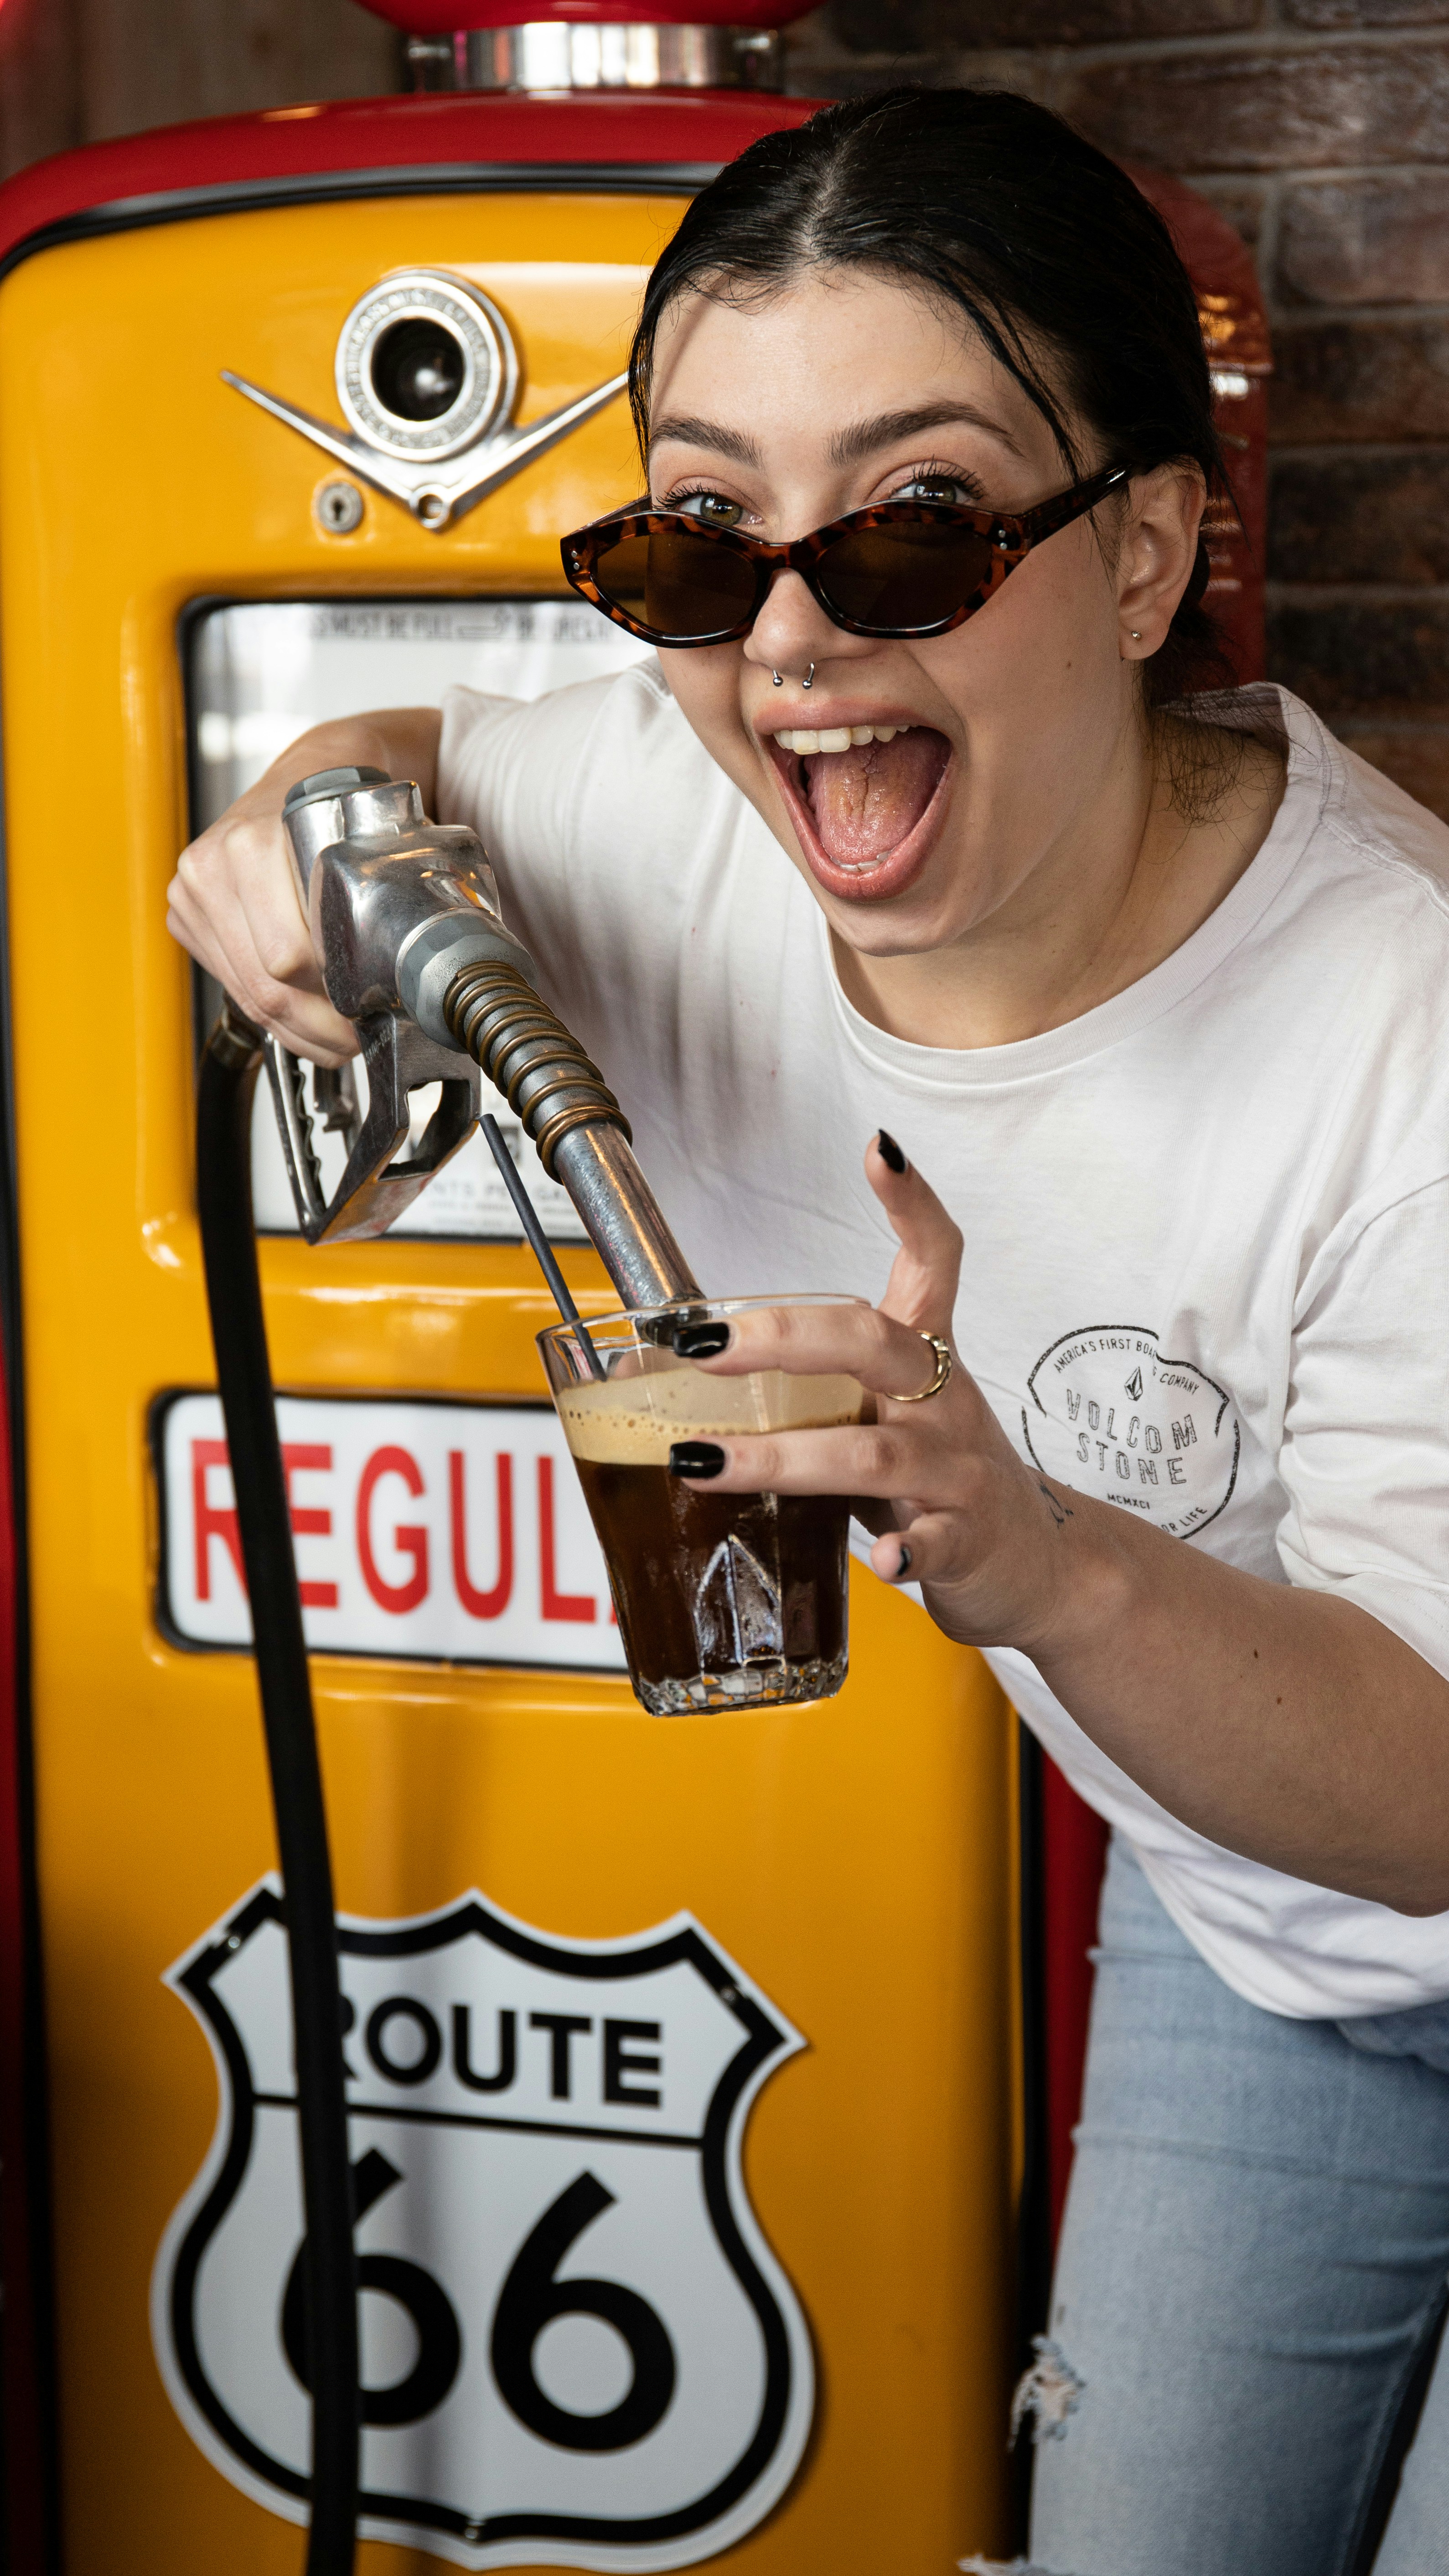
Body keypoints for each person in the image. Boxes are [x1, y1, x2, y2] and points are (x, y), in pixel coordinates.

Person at [168, 88, 1449, 2576]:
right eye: (693, 536)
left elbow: (1431, 1783)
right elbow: (394, 758)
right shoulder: (679, 817)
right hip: (1255, 1939)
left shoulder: (1400, 1029)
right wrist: (294, 844)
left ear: (1153, 550)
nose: (788, 640)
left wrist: (1037, 1550)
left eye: (919, 524)